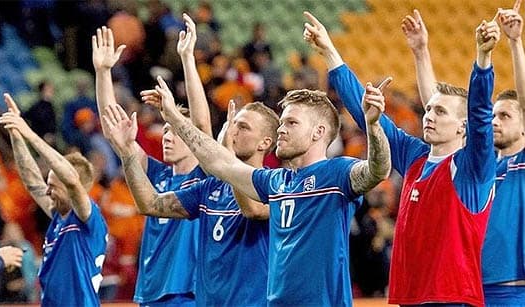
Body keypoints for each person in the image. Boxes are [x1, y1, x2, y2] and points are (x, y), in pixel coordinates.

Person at [145, 48, 391, 305]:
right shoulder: (276, 180)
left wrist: (373, 127)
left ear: (318, 132)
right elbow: (219, 163)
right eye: (282, 122)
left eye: (292, 123)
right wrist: (174, 117)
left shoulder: (337, 174)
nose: (281, 130)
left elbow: (378, 170)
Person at [314, 7, 498, 305]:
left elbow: (479, 114)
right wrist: (331, 53)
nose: (429, 116)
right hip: (410, 294)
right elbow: (366, 115)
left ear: (463, 127)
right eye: (428, 109)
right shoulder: (415, 157)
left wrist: (483, 59)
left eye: (440, 111)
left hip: (450, 297)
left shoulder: (472, 167)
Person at [402, 2, 525, 305]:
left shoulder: (521, 163)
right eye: (492, 115)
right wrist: (421, 52)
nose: (495, 121)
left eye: (506, 116)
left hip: (512, 289)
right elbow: (438, 106)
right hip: (469, 287)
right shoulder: (473, 167)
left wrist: (514, 42)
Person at [104, 98, 276, 306]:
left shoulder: (275, 185)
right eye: (232, 124)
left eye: (243, 127)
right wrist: (127, 151)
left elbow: (252, 210)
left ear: (265, 143)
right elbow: (149, 204)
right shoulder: (209, 188)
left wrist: (228, 156)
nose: (233, 131)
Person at [92, 15, 211, 305]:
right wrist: (103, 72)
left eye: (177, 133)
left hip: (187, 294)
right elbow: (114, 131)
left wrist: (187, 60)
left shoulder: (207, 177)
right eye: (166, 131)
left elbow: (203, 127)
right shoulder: (156, 174)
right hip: (149, 292)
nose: (168, 137)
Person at [0, 94, 108, 306]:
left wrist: (29, 133)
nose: (47, 192)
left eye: (53, 187)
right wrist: (15, 133)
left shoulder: (87, 217)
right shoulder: (59, 216)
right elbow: (32, 181)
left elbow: (69, 179)